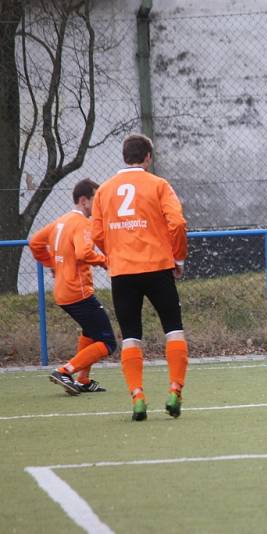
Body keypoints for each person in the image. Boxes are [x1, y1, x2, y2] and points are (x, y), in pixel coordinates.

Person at [91, 133, 189, 421]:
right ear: (148, 157)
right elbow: (178, 222)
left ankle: (138, 398)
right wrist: (178, 257)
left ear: (124, 157)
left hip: (123, 272)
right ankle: (175, 391)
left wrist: (115, 252)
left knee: (131, 336)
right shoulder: (158, 185)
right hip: (158, 267)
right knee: (173, 329)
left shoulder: (105, 190)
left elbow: (96, 233)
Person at [29, 179, 117, 395]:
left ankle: (83, 380)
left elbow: (35, 243)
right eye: (96, 199)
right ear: (84, 200)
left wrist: (52, 265)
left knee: (90, 331)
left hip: (64, 290)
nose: (98, 204)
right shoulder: (81, 223)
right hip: (78, 292)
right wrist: (107, 261)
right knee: (107, 342)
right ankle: (64, 371)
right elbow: (84, 253)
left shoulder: (61, 221)